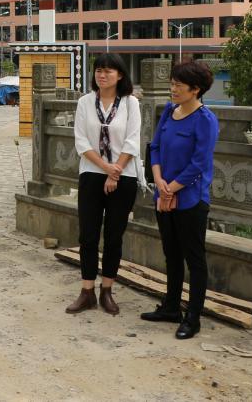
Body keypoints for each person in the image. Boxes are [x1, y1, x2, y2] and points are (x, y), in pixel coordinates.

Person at [141, 61, 218, 339]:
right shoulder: (169, 112)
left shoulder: (205, 120)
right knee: (171, 253)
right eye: (172, 84)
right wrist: (159, 181)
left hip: (190, 199)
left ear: (195, 89)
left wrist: (171, 189)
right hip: (163, 193)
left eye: (178, 85)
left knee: (194, 259)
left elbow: (199, 163)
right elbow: (155, 147)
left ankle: (193, 317)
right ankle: (171, 307)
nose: (173, 89)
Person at [66, 53, 141, 316]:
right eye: (99, 70)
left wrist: (115, 172)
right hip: (92, 172)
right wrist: (106, 168)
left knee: (113, 235)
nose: (102, 75)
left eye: (108, 71)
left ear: (120, 75)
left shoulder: (130, 103)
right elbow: (81, 141)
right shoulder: (85, 102)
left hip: (124, 175)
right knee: (88, 234)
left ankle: (107, 289)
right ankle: (86, 291)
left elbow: (132, 140)